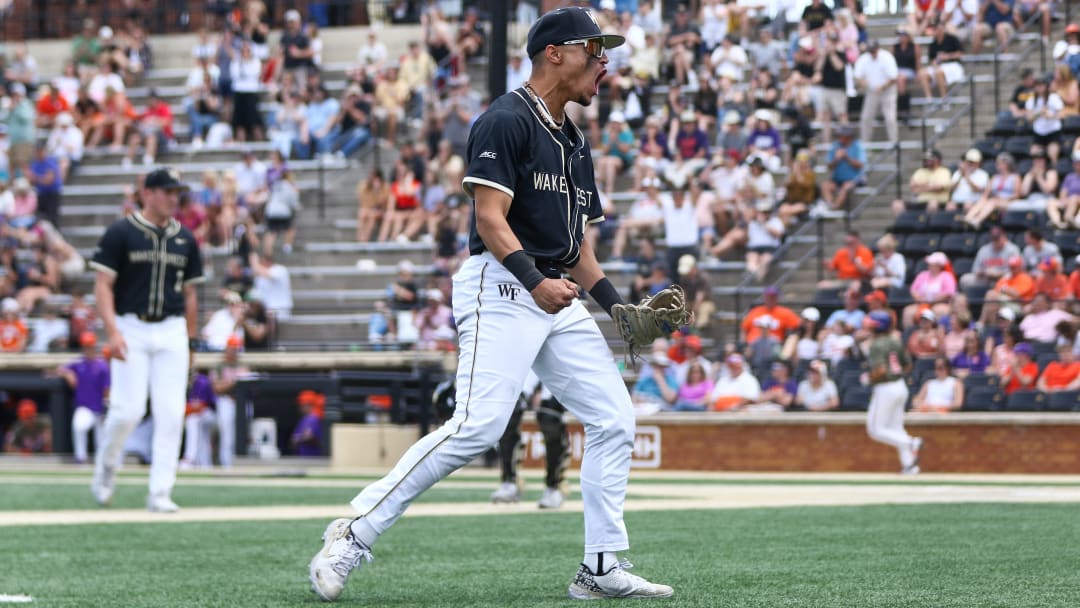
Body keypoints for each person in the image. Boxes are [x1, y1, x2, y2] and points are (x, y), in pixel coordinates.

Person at [307, 8, 673, 602]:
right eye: (593, 48)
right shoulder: (505, 118)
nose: (604, 61)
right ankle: (355, 531)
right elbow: (488, 219)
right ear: (553, 52)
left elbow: (576, 245)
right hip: (503, 285)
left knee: (615, 419)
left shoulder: (575, 140)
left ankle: (600, 567)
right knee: (477, 428)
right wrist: (534, 282)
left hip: (553, 291)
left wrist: (616, 306)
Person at [88, 168, 204, 513]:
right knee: (128, 410)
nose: (173, 198)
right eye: (167, 191)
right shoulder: (121, 231)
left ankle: (160, 492)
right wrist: (111, 330)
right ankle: (106, 469)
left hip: (171, 329)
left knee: (171, 413)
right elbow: (102, 284)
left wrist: (192, 341)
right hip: (131, 325)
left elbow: (191, 293)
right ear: (148, 192)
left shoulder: (186, 238)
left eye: (177, 193)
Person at [490, 370, 570, 509]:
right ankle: (510, 481)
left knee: (550, 418)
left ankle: (555, 485)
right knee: (509, 412)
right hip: (529, 359)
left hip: (557, 358)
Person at [865, 310, 923, 474]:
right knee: (896, 429)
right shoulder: (895, 341)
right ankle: (910, 465)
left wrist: (868, 378)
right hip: (900, 385)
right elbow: (908, 365)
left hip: (885, 388)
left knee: (875, 429)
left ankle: (911, 442)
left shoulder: (876, 344)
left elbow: (881, 370)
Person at [56, 332, 110, 463]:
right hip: (85, 407)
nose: (87, 349)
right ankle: (81, 457)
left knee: (102, 439)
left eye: (90, 346)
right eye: (85, 346)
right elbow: (60, 368)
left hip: (100, 407)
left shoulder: (102, 366)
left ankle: (101, 462)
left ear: (94, 346)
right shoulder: (79, 363)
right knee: (79, 426)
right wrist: (68, 374)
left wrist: (106, 408)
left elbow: (107, 390)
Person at [209, 334, 248, 468]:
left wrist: (232, 383)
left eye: (236, 349)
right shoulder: (219, 367)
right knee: (227, 435)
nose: (233, 352)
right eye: (231, 349)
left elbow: (248, 385)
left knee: (243, 433)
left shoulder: (243, 365)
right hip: (224, 402)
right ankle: (227, 464)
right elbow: (217, 388)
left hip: (240, 403)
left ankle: (241, 463)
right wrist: (234, 382)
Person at [853, 40, 899, 144]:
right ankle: (865, 143)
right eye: (870, 51)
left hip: (888, 91)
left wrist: (883, 86)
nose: (872, 53)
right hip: (871, 91)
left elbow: (894, 78)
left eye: (873, 51)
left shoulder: (887, 57)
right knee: (866, 117)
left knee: (890, 118)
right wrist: (864, 83)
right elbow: (857, 76)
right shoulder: (864, 59)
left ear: (878, 49)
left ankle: (894, 143)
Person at [181, 371, 216, 468]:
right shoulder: (177, 380)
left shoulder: (201, 381)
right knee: (201, 436)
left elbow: (201, 406)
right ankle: (205, 464)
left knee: (192, 420)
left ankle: (190, 458)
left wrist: (181, 410)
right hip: (196, 416)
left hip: (211, 414)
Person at [290, 390, 324, 456]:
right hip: (305, 457)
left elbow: (309, 437)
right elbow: (294, 439)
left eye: (302, 405)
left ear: (308, 405)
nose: (300, 408)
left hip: (313, 458)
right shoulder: (305, 419)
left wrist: (298, 439)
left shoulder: (313, 418)